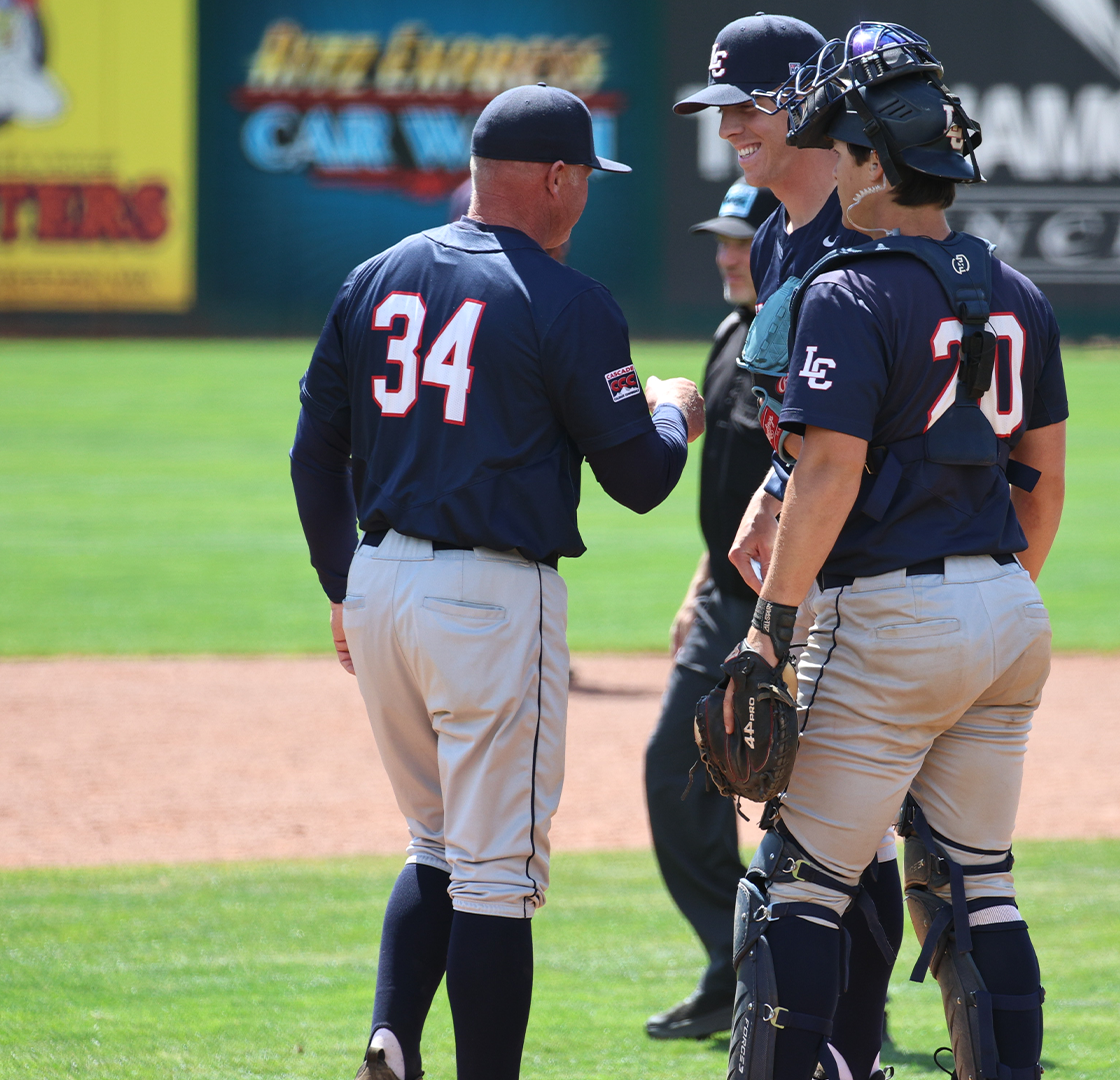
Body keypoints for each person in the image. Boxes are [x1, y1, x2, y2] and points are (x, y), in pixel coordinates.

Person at [287, 84, 705, 1080]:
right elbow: (639, 481)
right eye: (586, 178)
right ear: (556, 178)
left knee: (433, 840)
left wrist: (342, 587)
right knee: (497, 876)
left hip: (380, 583)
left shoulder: (375, 276)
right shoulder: (568, 300)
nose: (589, 196)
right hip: (487, 601)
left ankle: (392, 1035)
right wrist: (673, 413)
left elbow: (314, 455)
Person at [717, 24, 1068, 1080]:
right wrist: (981, 623)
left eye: (848, 149)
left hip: (890, 616)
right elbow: (1042, 488)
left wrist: (767, 641)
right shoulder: (1020, 298)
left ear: (875, 159)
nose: (843, 170)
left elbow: (823, 480)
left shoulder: (851, 287)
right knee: (979, 888)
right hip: (1011, 613)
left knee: (795, 889)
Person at [675, 18, 904, 1080]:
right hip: (803, 566)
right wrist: (772, 492)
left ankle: (848, 1048)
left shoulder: (872, 229)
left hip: (874, 570)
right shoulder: (773, 238)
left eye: (746, 106)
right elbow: (798, 422)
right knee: (810, 839)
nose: (727, 130)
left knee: (853, 844)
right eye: (719, 110)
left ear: (808, 102)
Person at [640, 179, 780, 1041]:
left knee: (809, 807)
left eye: (742, 238)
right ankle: (734, 969)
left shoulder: (807, 336)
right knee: (674, 775)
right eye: (721, 239)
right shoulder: (735, 330)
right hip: (726, 602)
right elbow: (738, 488)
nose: (726, 253)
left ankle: (835, 991)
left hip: (789, 612)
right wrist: (699, 579)